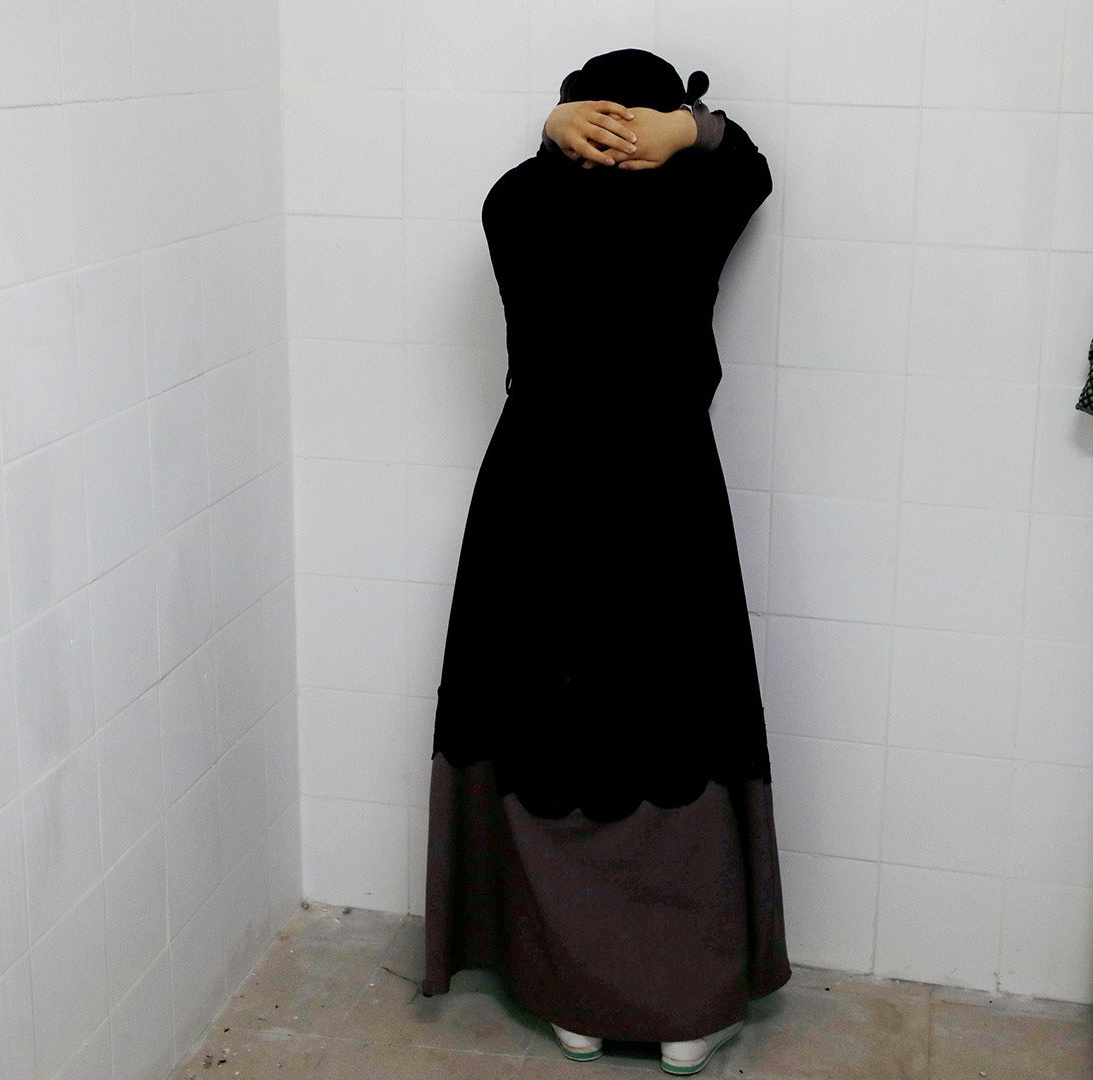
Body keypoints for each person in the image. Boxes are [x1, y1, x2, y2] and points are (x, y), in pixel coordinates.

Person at [417, 47, 791, 1076]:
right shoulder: (699, 200)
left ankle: (569, 994)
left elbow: (543, 174)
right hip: (663, 493)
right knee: (673, 722)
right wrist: (692, 132)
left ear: (574, 118)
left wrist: (554, 129)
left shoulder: (514, 204)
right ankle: (683, 1007)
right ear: (660, 121)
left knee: (548, 720)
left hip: (532, 490)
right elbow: (750, 164)